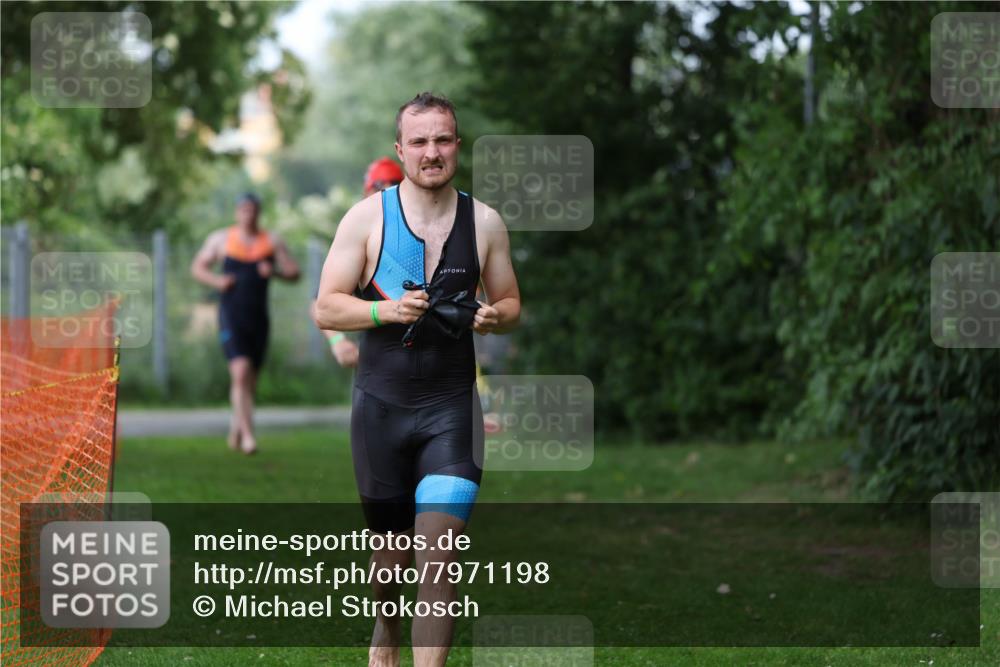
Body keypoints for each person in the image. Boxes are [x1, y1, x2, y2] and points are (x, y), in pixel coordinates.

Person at [313, 92, 520, 667]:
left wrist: (495, 315)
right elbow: (327, 308)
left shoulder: (484, 223)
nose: (433, 152)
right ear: (400, 149)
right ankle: (386, 626)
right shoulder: (365, 219)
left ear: (458, 146)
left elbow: (510, 303)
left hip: (451, 411)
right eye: (421, 142)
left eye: (443, 140)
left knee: (440, 557)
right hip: (381, 410)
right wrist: (384, 312)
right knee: (392, 563)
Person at [191, 193, 301, 454]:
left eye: (252, 210)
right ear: (236, 212)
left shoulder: (270, 241)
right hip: (231, 315)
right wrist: (218, 282)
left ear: (258, 213)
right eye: (243, 210)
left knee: (249, 380)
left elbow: (294, 272)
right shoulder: (221, 240)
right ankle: (249, 437)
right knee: (240, 372)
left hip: (258, 318)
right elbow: (198, 267)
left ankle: (236, 428)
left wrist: (273, 272)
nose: (248, 215)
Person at [321, 157, 405, 368]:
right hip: (376, 363)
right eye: (378, 187)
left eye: (393, 185)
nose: (385, 192)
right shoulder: (357, 230)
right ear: (366, 192)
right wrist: (338, 342)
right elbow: (322, 304)